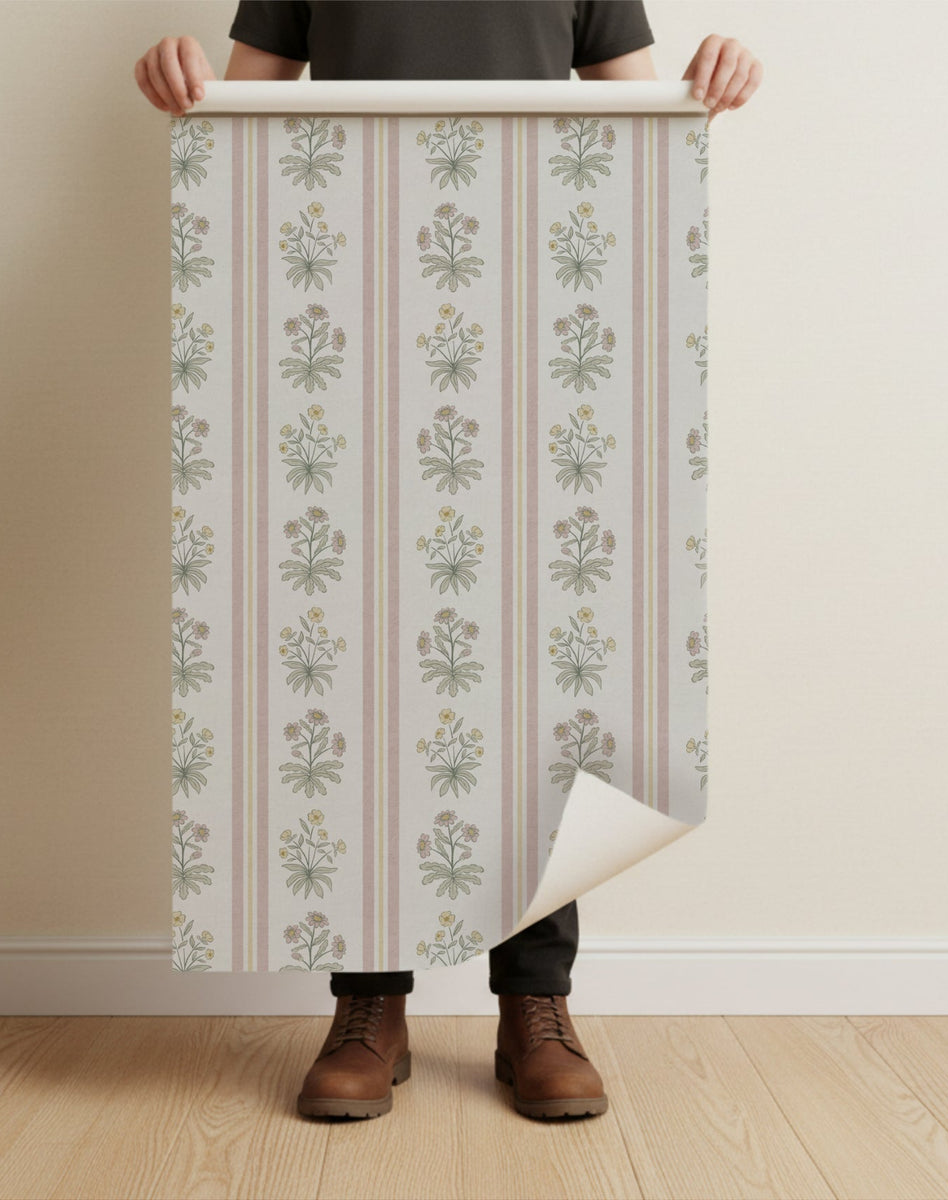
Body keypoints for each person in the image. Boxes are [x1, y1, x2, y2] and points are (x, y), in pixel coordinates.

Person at [136, 1, 760, 1122]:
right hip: (353, 320)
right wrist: (185, 84)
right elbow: (246, 118)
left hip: (532, 322)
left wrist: (710, 82)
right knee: (364, 652)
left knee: (537, 671)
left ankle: (536, 1003)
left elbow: (641, 130)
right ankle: (370, 1002)